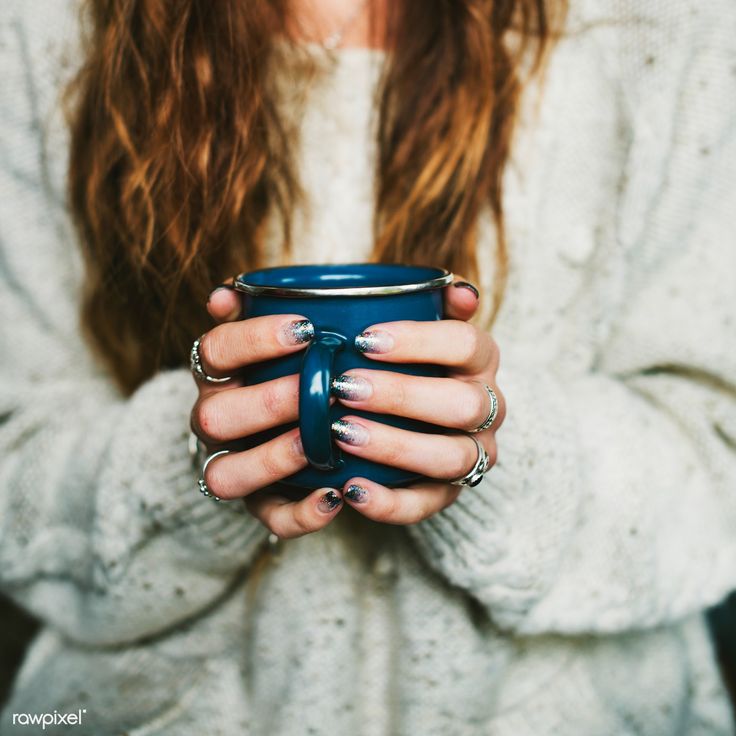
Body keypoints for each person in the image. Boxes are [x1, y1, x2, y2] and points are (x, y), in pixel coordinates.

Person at [1, 0, 735, 733]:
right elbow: (16, 466)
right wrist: (200, 451)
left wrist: (486, 456)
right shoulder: (48, 29)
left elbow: (717, 457)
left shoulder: (664, 28)